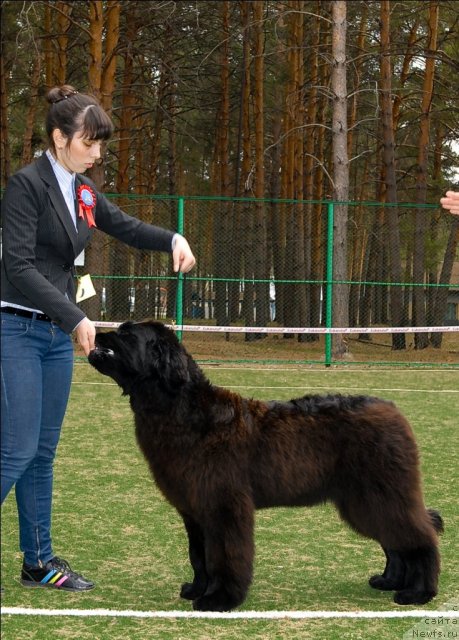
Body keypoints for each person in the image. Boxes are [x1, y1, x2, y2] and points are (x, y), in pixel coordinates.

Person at [0, 84, 195, 592]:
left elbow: (124, 227)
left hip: (52, 340)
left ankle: (38, 562)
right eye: (90, 142)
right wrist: (74, 317)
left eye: (101, 144)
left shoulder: (81, 190)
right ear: (61, 138)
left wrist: (173, 237)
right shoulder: (26, 185)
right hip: (15, 330)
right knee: (16, 452)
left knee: (42, 454)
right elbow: (18, 266)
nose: (98, 153)